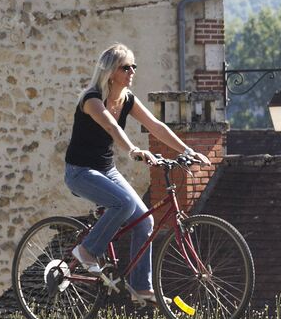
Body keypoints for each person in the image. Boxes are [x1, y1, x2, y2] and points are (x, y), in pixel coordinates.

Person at [64, 43, 210, 304]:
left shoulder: (127, 99)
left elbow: (155, 125)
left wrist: (187, 149)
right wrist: (132, 149)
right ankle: (86, 252)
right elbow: (111, 126)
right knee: (123, 203)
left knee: (145, 220)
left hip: (106, 170)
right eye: (126, 67)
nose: (132, 71)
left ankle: (141, 287)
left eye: (134, 66)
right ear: (110, 72)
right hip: (80, 172)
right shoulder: (92, 99)